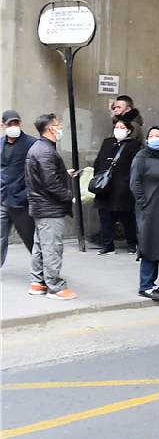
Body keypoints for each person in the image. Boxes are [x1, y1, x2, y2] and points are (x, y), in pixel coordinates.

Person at [26, 113, 78, 300]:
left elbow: (46, 177)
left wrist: (64, 175)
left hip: (42, 206)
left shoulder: (40, 148)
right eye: (58, 124)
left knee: (41, 246)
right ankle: (55, 287)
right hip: (49, 208)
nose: (60, 127)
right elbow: (51, 184)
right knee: (52, 247)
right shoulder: (45, 151)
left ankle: (37, 283)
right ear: (50, 128)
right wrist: (69, 195)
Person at [129, 126, 159, 300]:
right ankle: (145, 285)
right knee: (149, 244)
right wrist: (144, 204)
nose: (155, 138)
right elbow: (135, 183)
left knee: (158, 244)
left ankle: (152, 282)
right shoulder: (141, 158)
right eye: (151, 135)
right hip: (149, 209)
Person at [92, 117, 141, 255]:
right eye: (117, 127)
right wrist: (99, 177)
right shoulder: (107, 143)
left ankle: (132, 244)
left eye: (122, 128)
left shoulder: (133, 145)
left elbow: (135, 166)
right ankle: (107, 245)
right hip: (105, 186)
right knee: (105, 216)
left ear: (129, 130)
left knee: (127, 217)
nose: (118, 130)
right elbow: (98, 161)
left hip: (123, 187)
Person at [1, 110, 36, 267]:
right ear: (3, 125)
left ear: (20, 123)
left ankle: (43, 270)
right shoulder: (0, 143)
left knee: (30, 237)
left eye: (16, 123)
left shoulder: (31, 143)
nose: (13, 126)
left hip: (21, 200)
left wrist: (27, 192)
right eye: (10, 124)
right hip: (3, 198)